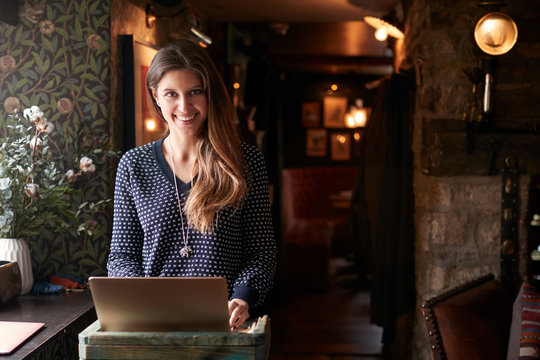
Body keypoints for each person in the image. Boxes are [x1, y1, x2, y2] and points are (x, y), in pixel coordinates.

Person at [107, 39, 277, 330]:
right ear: (156, 96)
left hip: (226, 325)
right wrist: (138, 298)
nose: (184, 106)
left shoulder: (245, 162)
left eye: (195, 92)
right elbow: (122, 255)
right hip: (152, 325)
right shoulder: (133, 165)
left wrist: (243, 297)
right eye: (171, 94)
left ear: (210, 94)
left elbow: (262, 252)